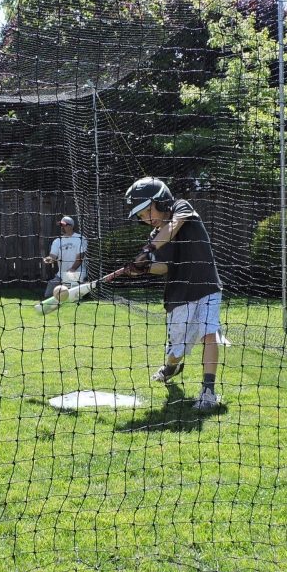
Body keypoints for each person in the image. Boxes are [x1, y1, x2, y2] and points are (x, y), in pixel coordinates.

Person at [123, 176, 223, 411]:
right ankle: (171, 366)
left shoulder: (182, 208)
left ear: (161, 201)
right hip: (179, 296)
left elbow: (173, 225)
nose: (145, 219)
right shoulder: (155, 236)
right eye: (140, 216)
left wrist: (148, 249)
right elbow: (165, 268)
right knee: (177, 349)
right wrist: (144, 267)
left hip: (207, 284)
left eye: (147, 211)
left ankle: (208, 390)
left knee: (210, 333)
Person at [42, 215, 88, 298]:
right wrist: (49, 259)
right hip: (61, 275)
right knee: (48, 295)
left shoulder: (80, 238)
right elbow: (53, 256)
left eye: (64, 225)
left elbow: (80, 256)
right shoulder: (57, 241)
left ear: (71, 226)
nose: (62, 227)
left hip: (77, 273)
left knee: (72, 297)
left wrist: (73, 269)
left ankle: (82, 285)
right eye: (61, 225)